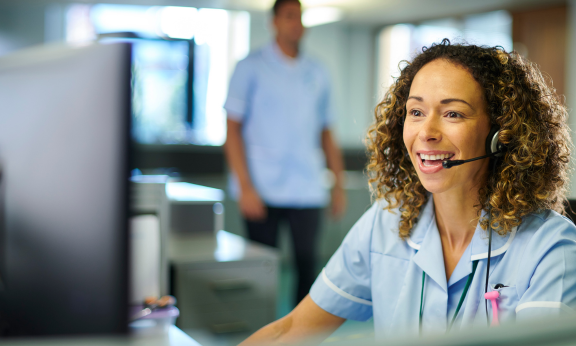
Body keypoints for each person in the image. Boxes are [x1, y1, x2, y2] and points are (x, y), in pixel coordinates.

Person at [237, 39, 576, 345]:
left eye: (452, 113)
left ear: (501, 134)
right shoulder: (386, 225)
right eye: (416, 112)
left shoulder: (549, 246)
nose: (426, 132)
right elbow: (294, 328)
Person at [223, 0, 346, 305]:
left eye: (300, 17)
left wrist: (338, 184)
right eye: (289, 16)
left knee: (307, 265)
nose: (297, 23)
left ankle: (301, 336)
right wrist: (245, 187)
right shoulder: (250, 67)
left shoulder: (317, 71)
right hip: (261, 187)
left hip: (306, 187)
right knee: (262, 268)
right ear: (274, 22)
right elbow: (232, 130)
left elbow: (327, 131)